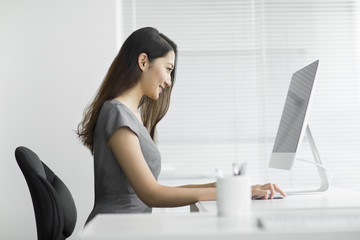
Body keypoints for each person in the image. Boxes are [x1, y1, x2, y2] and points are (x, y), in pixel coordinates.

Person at [77, 27, 286, 224]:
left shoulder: (130, 115)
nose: (168, 81)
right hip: (114, 230)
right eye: (168, 69)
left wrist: (237, 188)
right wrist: (237, 193)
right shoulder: (116, 113)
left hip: (129, 227)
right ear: (143, 61)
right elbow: (152, 194)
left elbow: (157, 189)